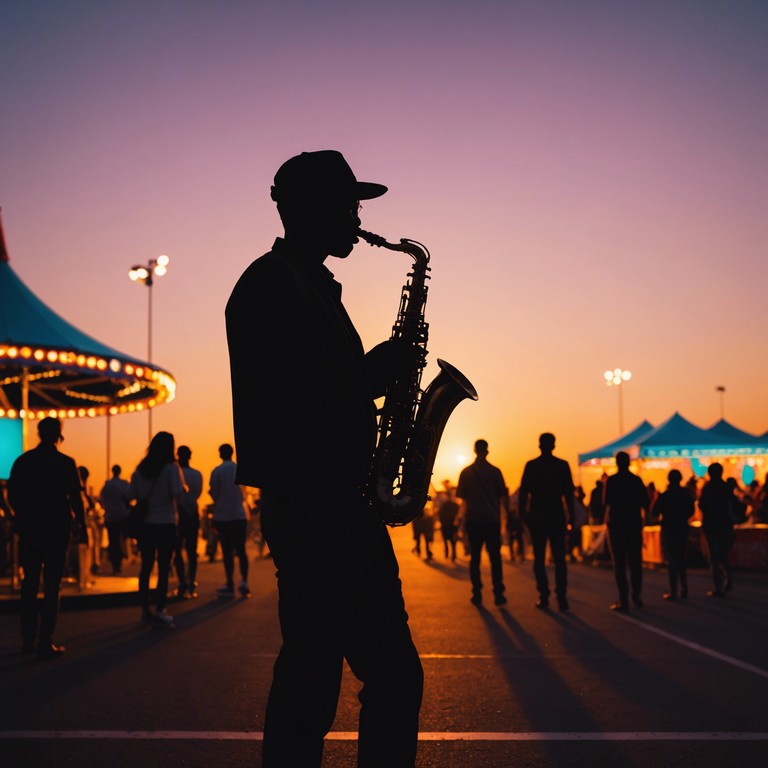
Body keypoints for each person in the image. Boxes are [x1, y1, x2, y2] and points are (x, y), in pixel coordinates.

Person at [225, 149, 423, 767]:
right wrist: (372, 375)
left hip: (338, 507)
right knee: (334, 681)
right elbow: (288, 399)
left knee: (326, 677)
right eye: (346, 204)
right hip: (318, 511)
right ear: (304, 208)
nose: (357, 217)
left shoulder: (308, 286)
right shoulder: (270, 287)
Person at [7, 417, 85, 659]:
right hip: (56, 530)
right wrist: (79, 524)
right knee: (52, 585)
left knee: (29, 584)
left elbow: (12, 495)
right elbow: (76, 499)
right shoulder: (65, 463)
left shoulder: (23, 461)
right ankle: (45, 640)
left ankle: (27, 639)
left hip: (31, 529)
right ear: (58, 435)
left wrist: (22, 515)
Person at [130, 431, 185, 627]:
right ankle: (160, 608)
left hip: (146, 525)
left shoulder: (140, 469)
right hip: (166, 523)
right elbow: (177, 493)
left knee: (145, 567)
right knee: (163, 568)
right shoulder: (171, 469)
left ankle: (144, 609)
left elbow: (132, 494)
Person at [518, 433, 574, 611]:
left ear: (539, 445)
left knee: (539, 558)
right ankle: (562, 597)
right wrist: (571, 515)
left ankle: (544, 595)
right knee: (559, 559)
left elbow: (523, 494)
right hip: (556, 515)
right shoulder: (562, 466)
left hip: (538, 515)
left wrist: (522, 515)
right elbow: (569, 495)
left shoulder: (532, 466)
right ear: (554, 445)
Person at [457, 439, 510, 607]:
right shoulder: (495, 472)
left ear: (474, 450)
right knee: (495, 557)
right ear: (487, 451)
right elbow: (503, 497)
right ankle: (498, 593)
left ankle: (477, 592)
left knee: (475, 558)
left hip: (473, 519)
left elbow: (462, 499)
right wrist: (506, 517)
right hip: (492, 520)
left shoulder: (466, 472)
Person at [604, 451, 649, 612]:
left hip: (617, 526)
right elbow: (645, 503)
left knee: (620, 563)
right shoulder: (636, 481)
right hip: (633, 525)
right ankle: (636, 596)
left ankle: (624, 599)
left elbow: (607, 503)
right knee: (635, 562)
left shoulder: (612, 481)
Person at [209, 443, 250, 597]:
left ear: (220, 454)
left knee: (227, 552)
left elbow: (214, 494)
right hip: (239, 515)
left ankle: (230, 583)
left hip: (223, 516)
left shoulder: (217, 471)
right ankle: (244, 581)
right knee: (241, 550)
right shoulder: (240, 468)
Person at [653, 469, 693, 601]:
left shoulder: (665, 495)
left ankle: (674, 590)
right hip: (682, 528)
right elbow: (691, 510)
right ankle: (684, 588)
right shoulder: (685, 494)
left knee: (672, 560)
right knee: (681, 559)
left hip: (669, 530)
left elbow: (654, 511)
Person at [698, 462, 735, 598]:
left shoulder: (708, 488)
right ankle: (728, 577)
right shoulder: (726, 488)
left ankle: (718, 587)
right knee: (723, 554)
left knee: (714, 556)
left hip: (711, 526)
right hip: (724, 525)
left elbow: (702, 505)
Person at [174, 445, 203, 598]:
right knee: (192, 552)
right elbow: (197, 494)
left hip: (178, 516)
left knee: (177, 551)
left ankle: (182, 582)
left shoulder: (175, 473)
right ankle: (191, 581)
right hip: (192, 515)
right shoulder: (197, 474)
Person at [99, 464, 131, 574]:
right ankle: (119, 564)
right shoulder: (123, 484)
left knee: (113, 542)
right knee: (121, 541)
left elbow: (102, 500)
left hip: (110, 517)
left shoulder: (107, 486)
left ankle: (115, 564)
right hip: (122, 516)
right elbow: (129, 498)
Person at [436, 480, 460, 560]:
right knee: (453, 540)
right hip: (452, 525)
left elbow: (440, 514)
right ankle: (453, 553)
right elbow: (458, 515)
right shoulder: (455, 505)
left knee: (446, 539)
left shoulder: (443, 506)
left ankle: (447, 553)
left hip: (446, 524)